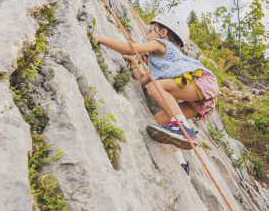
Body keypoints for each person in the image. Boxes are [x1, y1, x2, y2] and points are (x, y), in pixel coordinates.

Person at [93, 13, 219, 175]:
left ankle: (184, 130)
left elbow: (131, 48)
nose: (147, 36)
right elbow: (143, 80)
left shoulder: (160, 43)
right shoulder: (157, 58)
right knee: (159, 122)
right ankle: (182, 163)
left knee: (155, 87)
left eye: (150, 31)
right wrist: (134, 62)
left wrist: (99, 38)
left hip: (201, 82)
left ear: (163, 33)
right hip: (201, 102)